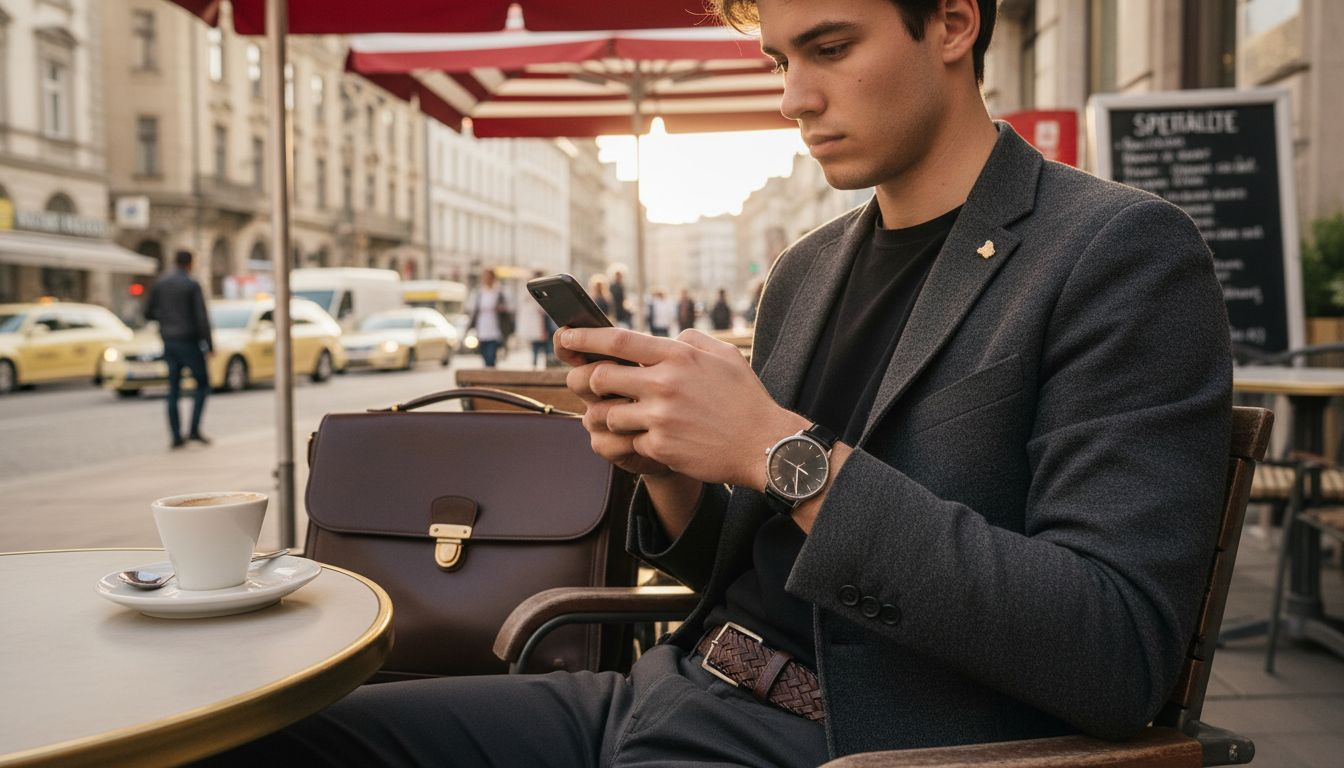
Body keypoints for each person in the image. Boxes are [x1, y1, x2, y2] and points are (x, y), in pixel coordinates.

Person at [199, 1, 1231, 765]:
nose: (793, 96)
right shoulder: (808, 270)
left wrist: (779, 453)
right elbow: (742, 560)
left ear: (954, 23)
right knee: (246, 736)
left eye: (831, 48)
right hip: (667, 689)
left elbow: (1114, 649)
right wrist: (667, 465)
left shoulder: (1116, 253)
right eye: (781, 58)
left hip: (858, 740)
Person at [144, 249, 213, 449]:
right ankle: (193, 430)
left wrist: (165, 320)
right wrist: (209, 345)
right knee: (202, 384)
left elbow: (148, 312)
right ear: (190, 263)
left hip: (169, 341)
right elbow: (201, 318)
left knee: (173, 389)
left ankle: (175, 436)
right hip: (189, 342)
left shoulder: (160, 283)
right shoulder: (191, 284)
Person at [466, 268, 508, 368]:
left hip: (494, 329)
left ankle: (491, 372)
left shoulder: (499, 293)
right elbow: (473, 310)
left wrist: (500, 308)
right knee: (484, 356)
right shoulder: (479, 293)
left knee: (491, 356)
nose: (486, 279)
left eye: (488, 277)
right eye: (484, 277)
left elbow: (506, 309)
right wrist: (470, 327)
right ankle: (489, 373)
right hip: (482, 329)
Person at [521, 270, 557, 368]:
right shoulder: (530, 292)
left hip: (545, 324)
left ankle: (546, 365)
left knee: (547, 349)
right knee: (538, 348)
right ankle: (537, 366)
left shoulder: (544, 290)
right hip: (537, 325)